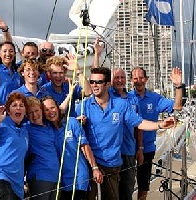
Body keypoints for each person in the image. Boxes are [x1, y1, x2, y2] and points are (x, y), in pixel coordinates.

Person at [76, 67, 176, 200]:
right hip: (89, 164)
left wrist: (160, 124)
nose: (94, 85)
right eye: (92, 81)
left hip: (112, 164)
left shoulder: (121, 105)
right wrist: (77, 123)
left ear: (107, 84)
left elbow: (139, 123)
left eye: (99, 82)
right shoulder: (82, 107)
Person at [129, 66, 183, 200]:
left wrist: (178, 86)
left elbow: (177, 106)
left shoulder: (154, 98)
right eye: (135, 78)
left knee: (143, 185)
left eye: (141, 77)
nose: (138, 81)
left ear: (146, 79)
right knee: (127, 186)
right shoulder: (126, 98)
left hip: (147, 148)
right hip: (127, 148)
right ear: (131, 81)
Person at [41, 96, 103, 200]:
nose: (50, 112)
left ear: (57, 107)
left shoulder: (72, 122)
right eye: (46, 110)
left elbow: (85, 146)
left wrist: (94, 167)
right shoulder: (46, 129)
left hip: (78, 178)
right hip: (60, 181)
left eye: (52, 108)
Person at [110, 68, 143, 200]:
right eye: (116, 77)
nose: (119, 80)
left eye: (122, 77)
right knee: (112, 191)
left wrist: (140, 148)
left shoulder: (133, 99)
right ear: (111, 80)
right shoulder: (108, 96)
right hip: (112, 152)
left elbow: (138, 125)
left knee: (127, 188)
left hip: (128, 150)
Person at [25, 96, 60, 200]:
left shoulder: (49, 125)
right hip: (40, 177)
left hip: (56, 177)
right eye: (30, 113)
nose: (35, 115)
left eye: (36, 110)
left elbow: (60, 110)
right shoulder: (27, 129)